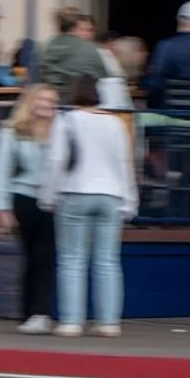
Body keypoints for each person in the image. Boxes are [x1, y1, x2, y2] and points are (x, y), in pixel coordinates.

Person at [42, 74, 138, 339]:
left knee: (72, 260)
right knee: (107, 261)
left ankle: (71, 321)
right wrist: (130, 200)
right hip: (111, 195)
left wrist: (48, 195)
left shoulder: (67, 120)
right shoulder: (115, 123)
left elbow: (56, 159)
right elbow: (124, 162)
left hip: (75, 191)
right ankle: (109, 322)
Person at [0, 83, 60, 334]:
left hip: (54, 202)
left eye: (52, 101)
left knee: (44, 255)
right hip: (24, 199)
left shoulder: (61, 130)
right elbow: (0, 170)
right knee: (33, 255)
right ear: (30, 102)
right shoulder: (12, 131)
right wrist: (2, 209)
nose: (48, 105)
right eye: (43, 99)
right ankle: (32, 312)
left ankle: (38, 312)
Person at [38, 8, 107, 91]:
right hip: (81, 95)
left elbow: (42, 73)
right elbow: (103, 77)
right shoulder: (91, 48)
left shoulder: (48, 46)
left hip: (53, 94)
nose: (86, 33)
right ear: (76, 25)